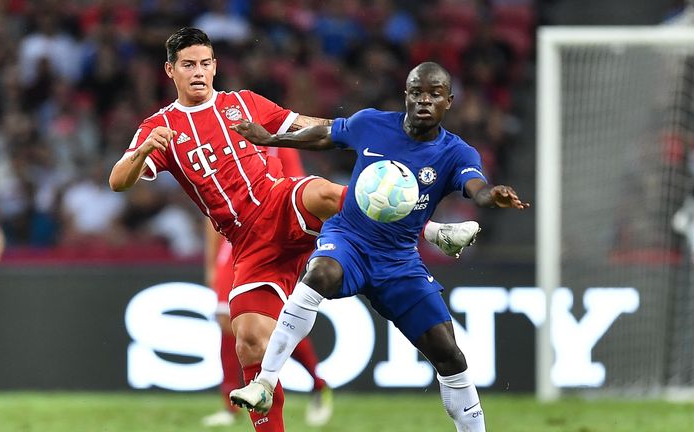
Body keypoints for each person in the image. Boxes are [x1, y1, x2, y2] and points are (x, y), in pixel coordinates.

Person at [109, 28, 480, 432]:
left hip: (280, 203)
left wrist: (364, 133)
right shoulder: (159, 128)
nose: (198, 72)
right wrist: (145, 149)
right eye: (188, 65)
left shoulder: (243, 103)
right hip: (247, 244)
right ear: (170, 70)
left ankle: (433, 230)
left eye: (204, 63)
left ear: (215, 66)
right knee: (249, 339)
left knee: (321, 191)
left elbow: (310, 124)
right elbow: (118, 181)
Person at [228, 62, 529, 432]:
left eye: (434, 94)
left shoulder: (456, 153)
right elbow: (325, 134)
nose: (424, 100)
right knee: (320, 272)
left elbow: (476, 187)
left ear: (448, 102)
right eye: (417, 92)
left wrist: (490, 196)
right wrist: (271, 139)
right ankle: (265, 382)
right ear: (406, 95)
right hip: (349, 240)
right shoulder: (372, 123)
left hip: (400, 263)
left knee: (449, 355)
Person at [201, 147, 332, 428]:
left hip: (272, 236)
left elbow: (297, 190)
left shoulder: (277, 142)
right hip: (235, 236)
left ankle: (318, 384)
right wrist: (211, 262)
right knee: (227, 319)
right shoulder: (219, 140)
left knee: (265, 327)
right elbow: (212, 204)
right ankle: (230, 403)